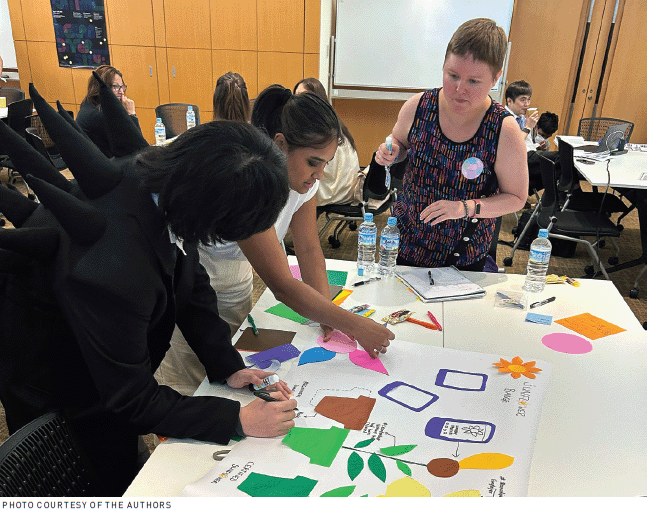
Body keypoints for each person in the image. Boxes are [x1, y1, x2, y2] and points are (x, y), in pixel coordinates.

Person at [0, 78, 297, 495]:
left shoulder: (175, 185)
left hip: (98, 345)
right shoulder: (114, 271)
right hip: (59, 387)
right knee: (104, 479)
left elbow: (191, 284)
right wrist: (236, 420)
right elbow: (130, 399)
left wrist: (227, 365)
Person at [156, 84, 394, 398]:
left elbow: (308, 247)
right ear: (281, 145)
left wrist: (326, 316)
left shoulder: (305, 180)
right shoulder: (251, 183)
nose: (319, 174)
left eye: (326, 163)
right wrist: (352, 324)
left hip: (234, 283)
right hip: (193, 289)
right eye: (313, 162)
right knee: (192, 390)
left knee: (233, 380)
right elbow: (281, 283)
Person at [375, 18, 527, 271]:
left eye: (473, 81)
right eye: (452, 75)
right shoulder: (418, 106)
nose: (459, 89)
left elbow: (516, 198)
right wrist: (392, 152)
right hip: (406, 242)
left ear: (496, 78)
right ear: (443, 65)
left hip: (463, 256)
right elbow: (400, 144)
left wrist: (463, 208)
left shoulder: (503, 129)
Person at [293, 77, 361, 207]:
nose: (298, 101)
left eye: (304, 97)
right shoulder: (333, 120)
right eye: (296, 96)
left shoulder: (317, 128)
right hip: (348, 189)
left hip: (334, 192)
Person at [76, 64, 141, 157]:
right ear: (101, 87)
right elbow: (136, 146)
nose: (122, 92)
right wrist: (131, 114)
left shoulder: (91, 104)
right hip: (101, 167)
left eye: (122, 87)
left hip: (98, 162)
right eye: (116, 87)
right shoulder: (99, 114)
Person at [526, 111, 560, 193]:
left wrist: (542, 151)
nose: (543, 138)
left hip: (532, 174)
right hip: (522, 166)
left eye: (547, 137)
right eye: (542, 135)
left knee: (555, 171)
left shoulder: (546, 143)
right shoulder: (526, 131)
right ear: (536, 125)